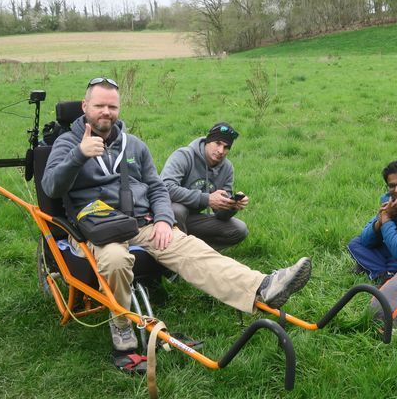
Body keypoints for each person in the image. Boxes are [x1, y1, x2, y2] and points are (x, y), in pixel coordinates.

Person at [41, 77, 311, 368]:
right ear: (85, 106)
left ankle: (263, 286)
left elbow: (157, 188)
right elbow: (52, 187)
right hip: (99, 230)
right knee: (116, 260)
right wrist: (78, 156)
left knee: (191, 248)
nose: (106, 112)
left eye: (112, 106)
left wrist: (163, 220)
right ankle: (120, 325)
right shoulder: (67, 143)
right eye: (99, 106)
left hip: (142, 224)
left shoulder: (134, 146)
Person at [160, 122, 248, 251]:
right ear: (208, 141)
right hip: (166, 217)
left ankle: (199, 253)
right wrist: (206, 199)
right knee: (177, 210)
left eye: (226, 147)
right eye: (217, 143)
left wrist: (231, 206)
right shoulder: (184, 156)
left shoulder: (227, 168)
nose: (220, 151)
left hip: (193, 220)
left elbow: (221, 215)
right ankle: (175, 257)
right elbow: (165, 187)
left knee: (239, 229)